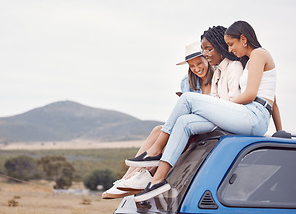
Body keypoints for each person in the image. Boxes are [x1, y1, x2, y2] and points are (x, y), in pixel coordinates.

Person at [130, 20, 279, 202]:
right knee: (184, 123)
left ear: (243, 38)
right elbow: (274, 101)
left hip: (254, 116)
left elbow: (250, 95)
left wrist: (222, 105)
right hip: (248, 115)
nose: (230, 49)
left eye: (231, 44)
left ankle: (154, 150)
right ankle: (158, 180)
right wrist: (280, 132)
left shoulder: (259, 54)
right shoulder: (249, 63)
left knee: (187, 99)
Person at [101, 42, 214, 199]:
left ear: (207, 60)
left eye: (199, 63)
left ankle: (144, 176)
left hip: (205, 125)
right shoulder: (187, 82)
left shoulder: (217, 79)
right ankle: (126, 180)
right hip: (189, 123)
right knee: (157, 130)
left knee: (175, 132)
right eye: (192, 66)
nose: (196, 69)